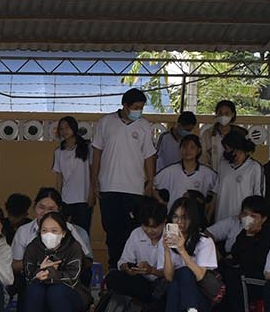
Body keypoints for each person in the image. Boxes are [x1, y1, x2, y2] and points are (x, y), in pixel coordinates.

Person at [90, 88, 157, 267]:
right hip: (109, 187)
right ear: (125, 105)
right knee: (112, 232)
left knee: (133, 231)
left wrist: (150, 181)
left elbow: (149, 155)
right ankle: (114, 269)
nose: (139, 111)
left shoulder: (144, 125)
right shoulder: (105, 122)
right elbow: (96, 152)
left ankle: (132, 269)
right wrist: (93, 180)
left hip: (134, 189)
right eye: (135, 107)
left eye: (141, 108)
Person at [17, 211, 91, 312]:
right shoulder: (33, 247)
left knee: (56, 290)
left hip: (71, 296)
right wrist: (39, 273)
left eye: (54, 230)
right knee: (34, 288)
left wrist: (51, 273)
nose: (48, 234)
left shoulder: (73, 247)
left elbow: (73, 278)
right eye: (44, 230)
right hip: (41, 299)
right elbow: (28, 276)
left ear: (63, 233)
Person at [156, 196, 220, 312]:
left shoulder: (205, 242)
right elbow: (168, 277)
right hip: (176, 296)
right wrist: (166, 251)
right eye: (176, 217)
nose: (180, 222)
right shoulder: (165, 241)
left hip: (201, 298)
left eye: (185, 217)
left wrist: (182, 250)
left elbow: (200, 275)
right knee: (176, 279)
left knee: (185, 272)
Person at [214, 195, 270, 312]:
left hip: (263, 279)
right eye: (244, 214)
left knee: (237, 275)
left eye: (253, 215)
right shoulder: (244, 233)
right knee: (223, 271)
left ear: (263, 218)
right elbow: (234, 254)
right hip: (244, 273)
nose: (247, 218)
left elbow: (255, 262)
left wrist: (249, 239)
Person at [10, 188, 94, 272]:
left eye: (51, 209)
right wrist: (36, 260)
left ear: (59, 210)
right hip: (32, 278)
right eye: (41, 207)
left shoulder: (68, 228)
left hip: (63, 278)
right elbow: (14, 265)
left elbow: (87, 261)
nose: (46, 213)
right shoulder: (23, 231)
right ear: (34, 207)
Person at [109, 198, 168, 304]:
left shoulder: (171, 236)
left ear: (164, 222)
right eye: (145, 226)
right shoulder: (136, 233)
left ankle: (150, 304)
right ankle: (149, 302)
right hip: (143, 282)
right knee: (113, 277)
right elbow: (123, 262)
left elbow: (174, 272)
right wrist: (127, 268)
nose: (149, 231)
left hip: (163, 282)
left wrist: (152, 270)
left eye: (154, 227)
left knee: (170, 285)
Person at [51, 115, 94, 231]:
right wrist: (57, 198)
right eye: (61, 128)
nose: (64, 131)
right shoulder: (59, 152)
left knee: (82, 232)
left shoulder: (87, 147)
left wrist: (92, 193)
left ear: (74, 128)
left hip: (83, 198)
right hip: (66, 199)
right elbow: (59, 177)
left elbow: (92, 172)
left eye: (67, 127)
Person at [212, 130, 263, 224]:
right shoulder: (222, 165)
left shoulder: (254, 167)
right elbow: (216, 192)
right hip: (221, 219)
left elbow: (258, 197)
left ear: (237, 148)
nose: (225, 152)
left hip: (243, 221)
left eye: (227, 149)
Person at [153, 133, 217, 208]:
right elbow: (152, 186)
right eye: (184, 147)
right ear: (180, 149)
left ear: (199, 150)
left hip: (197, 217)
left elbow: (216, 192)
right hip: (174, 216)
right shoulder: (170, 171)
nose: (187, 150)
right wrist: (162, 203)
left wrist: (207, 215)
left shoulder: (208, 173)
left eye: (192, 147)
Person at [199, 99, 238, 168]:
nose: (223, 116)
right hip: (212, 172)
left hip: (232, 173)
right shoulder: (208, 134)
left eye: (226, 113)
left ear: (232, 114)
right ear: (216, 114)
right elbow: (203, 156)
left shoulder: (239, 134)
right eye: (220, 113)